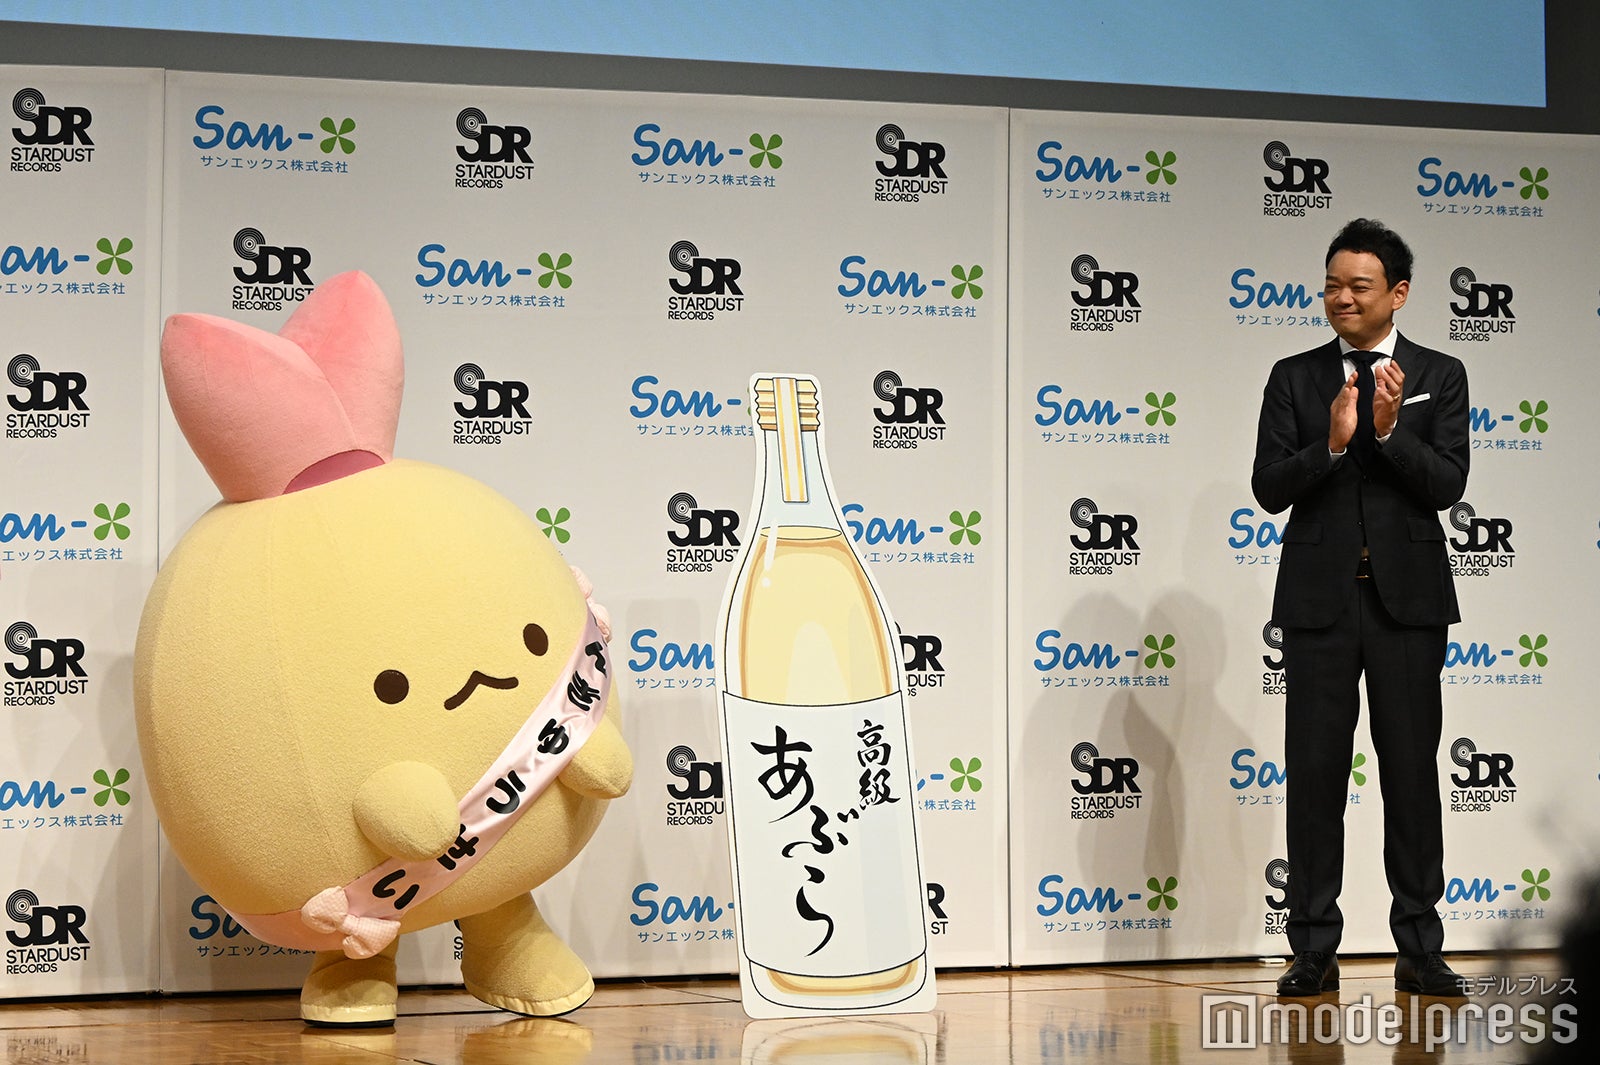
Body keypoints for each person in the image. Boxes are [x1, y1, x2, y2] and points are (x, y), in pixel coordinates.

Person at [1251, 218, 1470, 998]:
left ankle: (1420, 946)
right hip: (1320, 606)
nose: (1341, 297)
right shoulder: (1295, 376)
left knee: (1411, 773)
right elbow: (1268, 487)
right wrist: (1335, 445)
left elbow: (1448, 484)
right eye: (1332, 285)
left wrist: (1388, 432)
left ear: (1398, 293)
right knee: (1315, 776)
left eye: (1359, 285)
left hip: (1408, 606)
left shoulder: (1439, 374)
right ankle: (1312, 947)